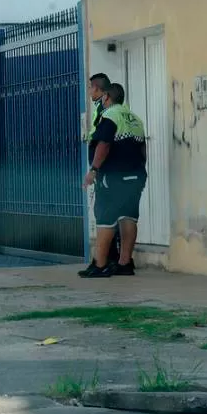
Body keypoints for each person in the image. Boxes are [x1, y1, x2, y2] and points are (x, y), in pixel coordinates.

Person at [80, 83, 147, 278]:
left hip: (114, 175)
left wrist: (93, 170)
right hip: (135, 175)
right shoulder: (135, 119)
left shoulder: (110, 116)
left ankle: (100, 265)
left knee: (105, 218)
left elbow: (104, 144)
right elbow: (143, 150)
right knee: (129, 217)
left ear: (107, 96)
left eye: (102, 96)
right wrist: (140, 170)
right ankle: (125, 263)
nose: (100, 99)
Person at [88, 73, 121, 264]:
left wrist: (94, 168)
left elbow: (104, 141)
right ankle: (109, 257)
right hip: (107, 168)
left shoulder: (105, 109)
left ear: (100, 90)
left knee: (105, 214)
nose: (90, 91)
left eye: (91, 88)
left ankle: (106, 258)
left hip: (106, 169)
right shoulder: (102, 108)